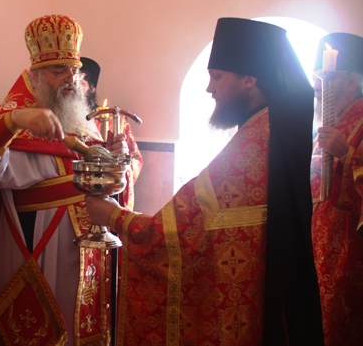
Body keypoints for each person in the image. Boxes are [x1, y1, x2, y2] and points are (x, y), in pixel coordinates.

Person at [85, 18, 324, 345]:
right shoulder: (268, 128)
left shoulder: (256, 142)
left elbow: (180, 228)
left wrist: (113, 216)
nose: (209, 88)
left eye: (217, 76)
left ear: (249, 79)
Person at [0, 14, 136, 346]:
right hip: (42, 248)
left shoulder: (83, 121)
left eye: (75, 70)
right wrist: (14, 121)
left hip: (93, 246)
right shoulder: (13, 121)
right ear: (35, 77)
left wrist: (114, 157)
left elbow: (105, 180)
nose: (71, 79)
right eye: (58, 70)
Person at [310, 32, 363, 346]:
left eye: (325, 79)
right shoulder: (329, 124)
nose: (317, 87)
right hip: (318, 244)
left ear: (351, 83)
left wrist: (348, 154)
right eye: (316, 78)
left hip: (351, 247)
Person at [79, 56, 143, 209]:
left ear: (92, 88)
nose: (74, 86)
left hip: (109, 195)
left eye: (80, 81)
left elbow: (136, 161)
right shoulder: (62, 119)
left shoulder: (118, 121)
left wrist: (122, 160)